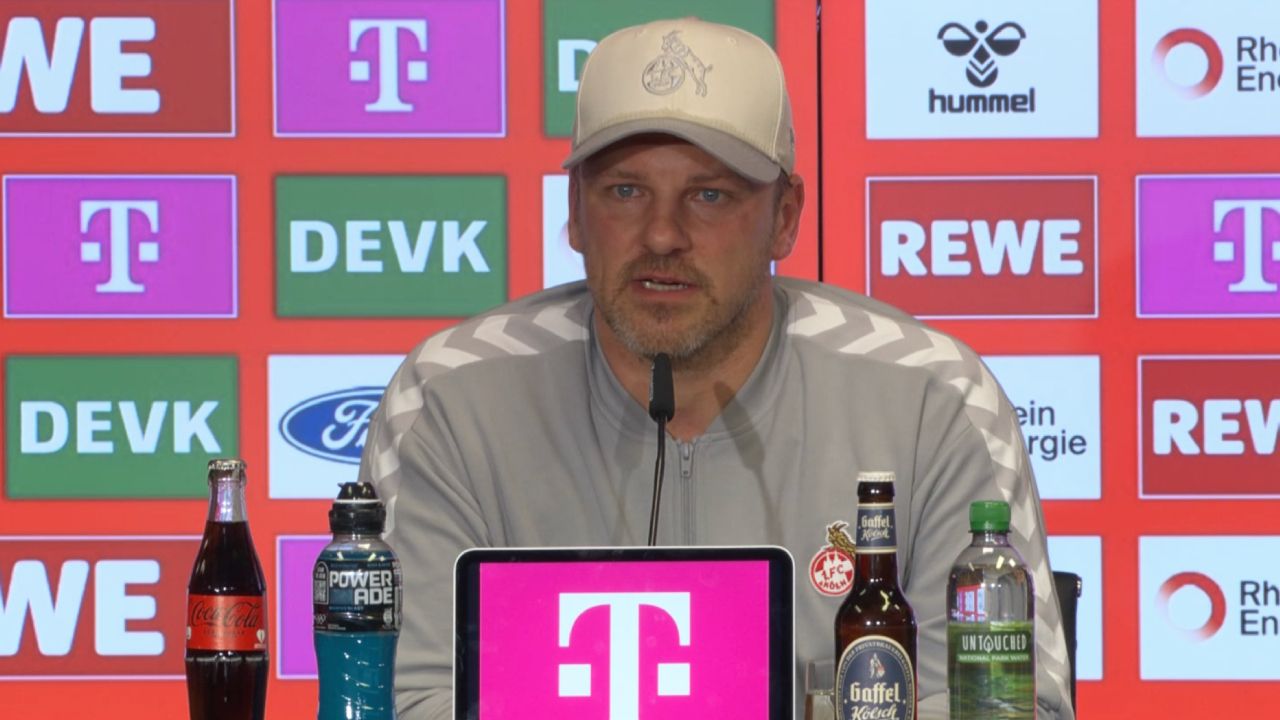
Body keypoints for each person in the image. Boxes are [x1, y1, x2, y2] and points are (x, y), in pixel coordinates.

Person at [358, 17, 1075, 720]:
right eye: (625, 191)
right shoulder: (450, 401)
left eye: (709, 195)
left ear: (785, 217)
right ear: (574, 211)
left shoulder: (930, 400)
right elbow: (403, 700)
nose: (662, 235)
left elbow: (1009, 710)